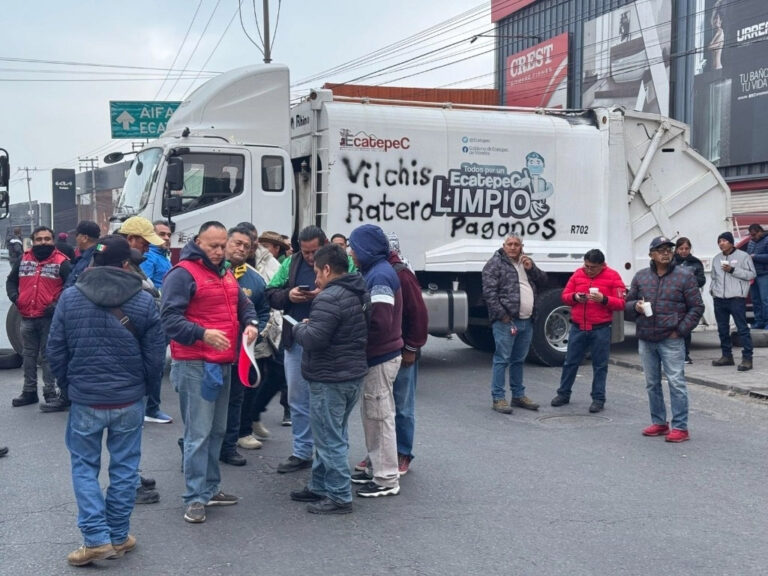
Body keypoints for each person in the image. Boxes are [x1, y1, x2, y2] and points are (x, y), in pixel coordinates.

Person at [46, 235, 166, 566]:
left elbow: (55, 350)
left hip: (86, 397)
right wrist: (142, 388)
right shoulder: (144, 302)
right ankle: (117, 535)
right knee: (125, 467)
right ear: (126, 264)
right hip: (129, 398)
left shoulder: (70, 298)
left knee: (85, 466)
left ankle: (96, 539)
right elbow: (155, 359)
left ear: (93, 263)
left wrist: (69, 385)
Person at [161, 221, 259, 524]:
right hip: (195, 364)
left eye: (222, 245)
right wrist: (203, 334)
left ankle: (211, 489)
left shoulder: (225, 272)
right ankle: (193, 497)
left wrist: (252, 323)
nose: (219, 251)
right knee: (198, 434)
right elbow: (168, 319)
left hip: (222, 362)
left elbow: (243, 305)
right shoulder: (182, 274)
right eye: (212, 246)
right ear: (197, 242)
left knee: (217, 430)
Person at [289, 244, 370, 514]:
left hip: (330, 377)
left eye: (316, 271)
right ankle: (319, 485)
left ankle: (338, 495)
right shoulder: (356, 291)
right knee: (333, 432)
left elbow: (314, 339)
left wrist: (300, 327)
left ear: (326, 268)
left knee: (328, 437)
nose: (314, 279)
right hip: (350, 374)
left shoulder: (328, 297)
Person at [626, 236, 704, 443]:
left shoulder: (685, 276)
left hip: (671, 339)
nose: (666, 253)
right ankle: (660, 422)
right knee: (652, 383)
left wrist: (680, 331)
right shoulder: (641, 276)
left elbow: (697, 307)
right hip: (646, 338)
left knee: (676, 383)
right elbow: (627, 305)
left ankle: (680, 427)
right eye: (660, 249)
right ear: (651, 254)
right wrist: (635, 307)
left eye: (669, 249)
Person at [265, 226, 330, 474]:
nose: (311, 257)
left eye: (315, 251)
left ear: (324, 244)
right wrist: (289, 296)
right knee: (297, 399)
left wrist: (324, 293)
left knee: (325, 401)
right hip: (296, 340)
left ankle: (326, 454)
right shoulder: (291, 263)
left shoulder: (339, 260)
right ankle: (302, 451)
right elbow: (269, 293)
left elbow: (355, 289)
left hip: (327, 343)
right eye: (306, 252)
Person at [348, 224, 403, 498]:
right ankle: (377, 469)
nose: (351, 253)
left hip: (380, 356)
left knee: (379, 417)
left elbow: (380, 320)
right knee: (375, 414)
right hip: (382, 355)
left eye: (354, 247)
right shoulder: (377, 271)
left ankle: (386, 478)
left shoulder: (379, 276)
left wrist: (355, 339)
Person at [551, 249, 626, 413]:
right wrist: (575, 298)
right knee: (570, 362)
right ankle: (563, 394)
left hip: (601, 328)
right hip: (578, 326)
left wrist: (604, 299)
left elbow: (621, 303)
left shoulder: (613, 276)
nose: (588, 270)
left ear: (601, 265)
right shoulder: (578, 274)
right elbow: (565, 295)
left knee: (600, 365)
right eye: (586, 266)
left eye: (592, 267)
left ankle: (598, 399)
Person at [219, 226, 269, 466]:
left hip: (241, 353)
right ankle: (201, 447)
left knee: (236, 399)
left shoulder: (255, 279)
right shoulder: (209, 271)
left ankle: (230, 446)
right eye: (236, 243)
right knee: (208, 401)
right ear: (226, 242)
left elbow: (263, 312)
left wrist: (255, 330)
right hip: (210, 353)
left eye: (246, 246)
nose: (240, 248)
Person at [6, 226, 71, 410]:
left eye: (47, 239)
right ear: (33, 241)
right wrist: (15, 298)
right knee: (28, 355)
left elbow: (71, 286)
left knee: (48, 356)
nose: (43, 242)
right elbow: (11, 281)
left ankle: (50, 392)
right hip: (26, 316)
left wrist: (57, 305)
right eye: (39, 239)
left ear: (53, 240)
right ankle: (29, 391)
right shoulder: (23, 259)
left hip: (49, 318)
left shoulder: (62, 262)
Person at [481, 233, 546, 414]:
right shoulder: (495, 264)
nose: (512, 247)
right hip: (506, 321)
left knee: (519, 360)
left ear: (521, 246)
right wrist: (502, 315)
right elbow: (489, 293)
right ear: (503, 245)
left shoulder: (526, 263)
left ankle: (518, 395)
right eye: (509, 244)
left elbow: (543, 281)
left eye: (516, 244)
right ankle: (499, 398)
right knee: (502, 359)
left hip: (527, 320)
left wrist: (531, 268)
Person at [118, 216, 171, 423]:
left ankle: (149, 408)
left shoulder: (135, 261)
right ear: (131, 239)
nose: (148, 247)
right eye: (144, 242)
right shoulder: (120, 263)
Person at [387, 232, 428, 476]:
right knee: (381, 406)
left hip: (402, 351)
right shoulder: (374, 271)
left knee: (402, 406)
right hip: (383, 352)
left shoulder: (402, 274)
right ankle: (382, 452)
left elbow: (419, 316)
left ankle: (403, 452)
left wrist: (411, 348)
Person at [710, 231, 756, 371]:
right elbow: (713, 277)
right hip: (719, 299)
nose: (721, 243)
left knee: (742, 329)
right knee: (722, 330)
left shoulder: (743, 256)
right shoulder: (716, 258)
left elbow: (751, 274)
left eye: (724, 240)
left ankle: (747, 359)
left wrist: (732, 270)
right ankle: (727, 356)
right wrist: (713, 290)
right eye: (719, 241)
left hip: (736, 299)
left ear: (731, 242)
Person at [673, 237, 706, 363]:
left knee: (686, 326)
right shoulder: (671, 262)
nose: (684, 251)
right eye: (681, 248)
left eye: (686, 248)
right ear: (676, 249)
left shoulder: (695, 262)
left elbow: (702, 280)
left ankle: (686, 354)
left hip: (689, 298)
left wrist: (688, 282)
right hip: (674, 299)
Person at [65, 221, 101, 289]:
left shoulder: (90, 259)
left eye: (77, 235)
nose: (76, 239)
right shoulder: (99, 252)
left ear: (85, 238)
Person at [745, 224, 768, 330]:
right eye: (750, 235)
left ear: (760, 232)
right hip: (753, 274)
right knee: (755, 300)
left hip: (764, 274)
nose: (752, 237)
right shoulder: (751, 242)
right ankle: (759, 321)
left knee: (765, 300)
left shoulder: (767, 240)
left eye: (754, 235)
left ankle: (767, 322)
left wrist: (755, 257)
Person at [139, 220, 172, 291]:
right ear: (152, 236)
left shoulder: (163, 255)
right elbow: (145, 287)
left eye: (169, 235)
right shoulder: (148, 256)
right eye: (162, 234)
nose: (167, 238)